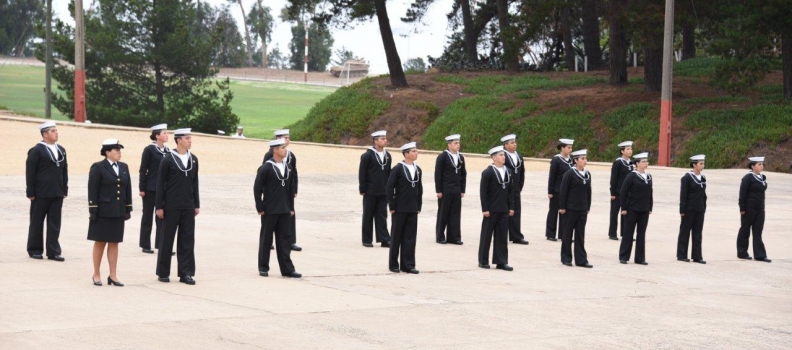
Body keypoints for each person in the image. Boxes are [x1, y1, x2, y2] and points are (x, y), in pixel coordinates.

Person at [155, 128, 200, 285]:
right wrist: (159, 206)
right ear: (179, 140)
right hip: (171, 205)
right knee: (167, 239)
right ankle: (163, 272)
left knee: (187, 240)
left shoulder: (193, 159)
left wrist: (196, 204)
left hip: (188, 205)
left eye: (190, 138)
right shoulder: (168, 159)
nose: (190, 141)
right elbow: (160, 184)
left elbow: (195, 183)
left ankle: (186, 272)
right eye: (187, 138)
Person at [88, 139, 132, 286]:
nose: (119, 152)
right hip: (103, 211)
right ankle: (96, 274)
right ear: (107, 152)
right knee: (100, 242)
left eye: (120, 149)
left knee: (114, 242)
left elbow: (128, 189)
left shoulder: (124, 167)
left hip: (118, 210)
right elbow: (92, 189)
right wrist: (93, 209)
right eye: (116, 150)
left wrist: (128, 207)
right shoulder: (98, 167)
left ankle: (113, 275)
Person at [254, 139, 301, 277]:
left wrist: (291, 208)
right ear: (275, 150)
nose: (285, 150)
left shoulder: (288, 168)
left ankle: (287, 269)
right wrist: (260, 207)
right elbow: (257, 188)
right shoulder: (266, 168)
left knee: (284, 240)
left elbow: (290, 190)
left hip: (284, 210)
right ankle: (263, 267)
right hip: (270, 209)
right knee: (266, 239)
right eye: (282, 147)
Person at [26, 121, 68, 261]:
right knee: (37, 222)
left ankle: (53, 251)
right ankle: (35, 249)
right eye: (53, 131)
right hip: (40, 193)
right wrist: (30, 192)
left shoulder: (61, 149)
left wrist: (64, 189)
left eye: (56, 130)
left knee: (55, 223)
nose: (56, 133)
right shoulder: (36, 150)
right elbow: (30, 172)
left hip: (57, 192)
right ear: (45, 134)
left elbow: (64, 171)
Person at [386, 142, 423, 274]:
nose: (416, 153)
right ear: (406, 154)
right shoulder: (398, 169)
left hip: (412, 208)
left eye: (416, 151)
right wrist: (392, 205)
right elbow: (390, 187)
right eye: (413, 151)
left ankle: (408, 264)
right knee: (396, 236)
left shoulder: (418, 169)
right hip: (400, 208)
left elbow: (419, 189)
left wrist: (419, 205)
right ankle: (393, 264)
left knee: (410, 237)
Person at [478, 146, 514, 271]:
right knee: (486, 235)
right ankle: (483, 260)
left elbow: (510, 191)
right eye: (500, 155)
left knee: (502, 236)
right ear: (494, 158)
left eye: (504, 155)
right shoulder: (488, 172)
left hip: (503, 209)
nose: (503, 157)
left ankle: (501, 261)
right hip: (491, 210)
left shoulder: (508, 171)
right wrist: (485, 209)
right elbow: (483, 192)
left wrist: (511, 206)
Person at [263, 129, 301, 251]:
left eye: (288, 138)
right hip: (274, 192)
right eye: (285, 138)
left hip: (287, 191)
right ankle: (268, 241)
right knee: (271, 217)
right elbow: (264, 174)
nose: (288, 140)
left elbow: (294, 173)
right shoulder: (269, 155)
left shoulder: (291, 155)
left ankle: (290, 241)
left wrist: (294, 188)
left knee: (290, 214)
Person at [139, 123, 170, 255]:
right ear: (157, 135)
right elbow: (143, 169)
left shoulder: (168, 151)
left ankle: (161, 244)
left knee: (162, 217)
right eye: (164, 133)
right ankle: (145, 244)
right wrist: (142, 187)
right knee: (147, 216)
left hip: (163, 189)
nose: (167, 135)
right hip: (150, 187)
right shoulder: (149, 149)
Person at [558, 149, 593, 268]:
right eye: (582, 159)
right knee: (567, 234)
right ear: (575, 160)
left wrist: (587, 206)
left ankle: (581, 260)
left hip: (582, 209)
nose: (585, 161)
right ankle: (566, 258)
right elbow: (563, 191)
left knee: (580, 234)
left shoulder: (587, 174)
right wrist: (562, 207)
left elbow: (589, 192)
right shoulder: (569, 173)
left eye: (585, 158)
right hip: (570, 208)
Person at [358, 130, 392, 248]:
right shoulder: (367, 155)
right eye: (382, 139)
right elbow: (362, 173)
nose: (385, 141)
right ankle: (367, 239)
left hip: (383, 191)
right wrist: (362, 188)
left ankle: (384, 238)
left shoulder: (387, 155)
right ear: (375, 141)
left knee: (382, 215)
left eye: (385, 138)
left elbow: (388, 173)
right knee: (368, 215)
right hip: (370, 190)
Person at [618, 152, 653, 265]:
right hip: (632, 208)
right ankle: (624, 256)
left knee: (641, 233)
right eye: (643, 161)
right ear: (637, 163)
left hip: (644, 209)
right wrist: (623, 208)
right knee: (628, 233)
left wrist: (650, 206)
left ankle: (640, 258)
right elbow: (623, 192)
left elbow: (650, 192)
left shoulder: (648, 176)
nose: (646, 163)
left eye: (646, 161)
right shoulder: (631, 176)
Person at [737, 156, 771, 262]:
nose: (762, 166)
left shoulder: (762, 177)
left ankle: (760, 255)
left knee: (758, 231)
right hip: (749, 208)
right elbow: (742, 194)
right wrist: (742, 208)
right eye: (759, 164)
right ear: (752, 166)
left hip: (760, 208)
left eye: (762, 164)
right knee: (745, 230)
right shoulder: (748, 178)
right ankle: (742, 252)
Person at [434, 134, 467, 245]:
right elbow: (438, 174)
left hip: (456, 189)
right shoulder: (443, 156)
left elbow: (463, 174)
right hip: (445, 189)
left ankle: (454, 237)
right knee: (443, 213)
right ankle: (440, 236)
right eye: (455, 143)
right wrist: (438, 190)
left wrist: (462, 189)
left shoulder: (460, 157)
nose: (458, 145)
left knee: (455, 214)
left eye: (458, 143)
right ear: (449, 145)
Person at [677, 154, 707, 264]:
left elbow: (704, 195)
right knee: (685, 232)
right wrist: (682, 210)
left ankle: (697, 256)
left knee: (698, 233)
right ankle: (681, 254)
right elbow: (683, 195)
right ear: (694, 165)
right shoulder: (687, 178)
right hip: (689, 209)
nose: (703, 165)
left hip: (699, 209)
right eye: (700, 163)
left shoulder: (703, 178)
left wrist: (704, 207)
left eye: (703, 163)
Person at [501, 134, 529, 245]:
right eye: (512, 143)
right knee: (503, 212)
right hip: (505, 189)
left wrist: (520, 185)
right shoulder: (502, 156)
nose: (514, 144)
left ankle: (516, 236)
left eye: (515, 142)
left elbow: (522, 171)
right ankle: (502, 235)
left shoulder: (519, 156)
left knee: (516, 212)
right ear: (505, 145)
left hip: (516, 189)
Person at [546, 138, 574, 241]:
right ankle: (550, 234)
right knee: (553, 212)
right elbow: (552, 176)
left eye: (571, 147)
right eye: (568, 147)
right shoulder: (556, 159)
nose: (570, 149)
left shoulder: (571, 160)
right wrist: (550, 191)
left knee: (565, 212)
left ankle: (563, 235)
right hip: (557, 190)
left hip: (567, 191)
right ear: (562, 148)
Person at [608, 141, 634, 240]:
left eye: (631, 149)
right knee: (614, 213)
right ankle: (612, 233)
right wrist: (613, 192)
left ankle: (625, 233)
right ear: (622, 151)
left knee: (626, 213)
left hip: (628, 193)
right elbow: (613, 178)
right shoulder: (618, 162)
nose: (630, 151)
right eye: (627, 149)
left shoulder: (630, 163)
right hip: (618, 192)